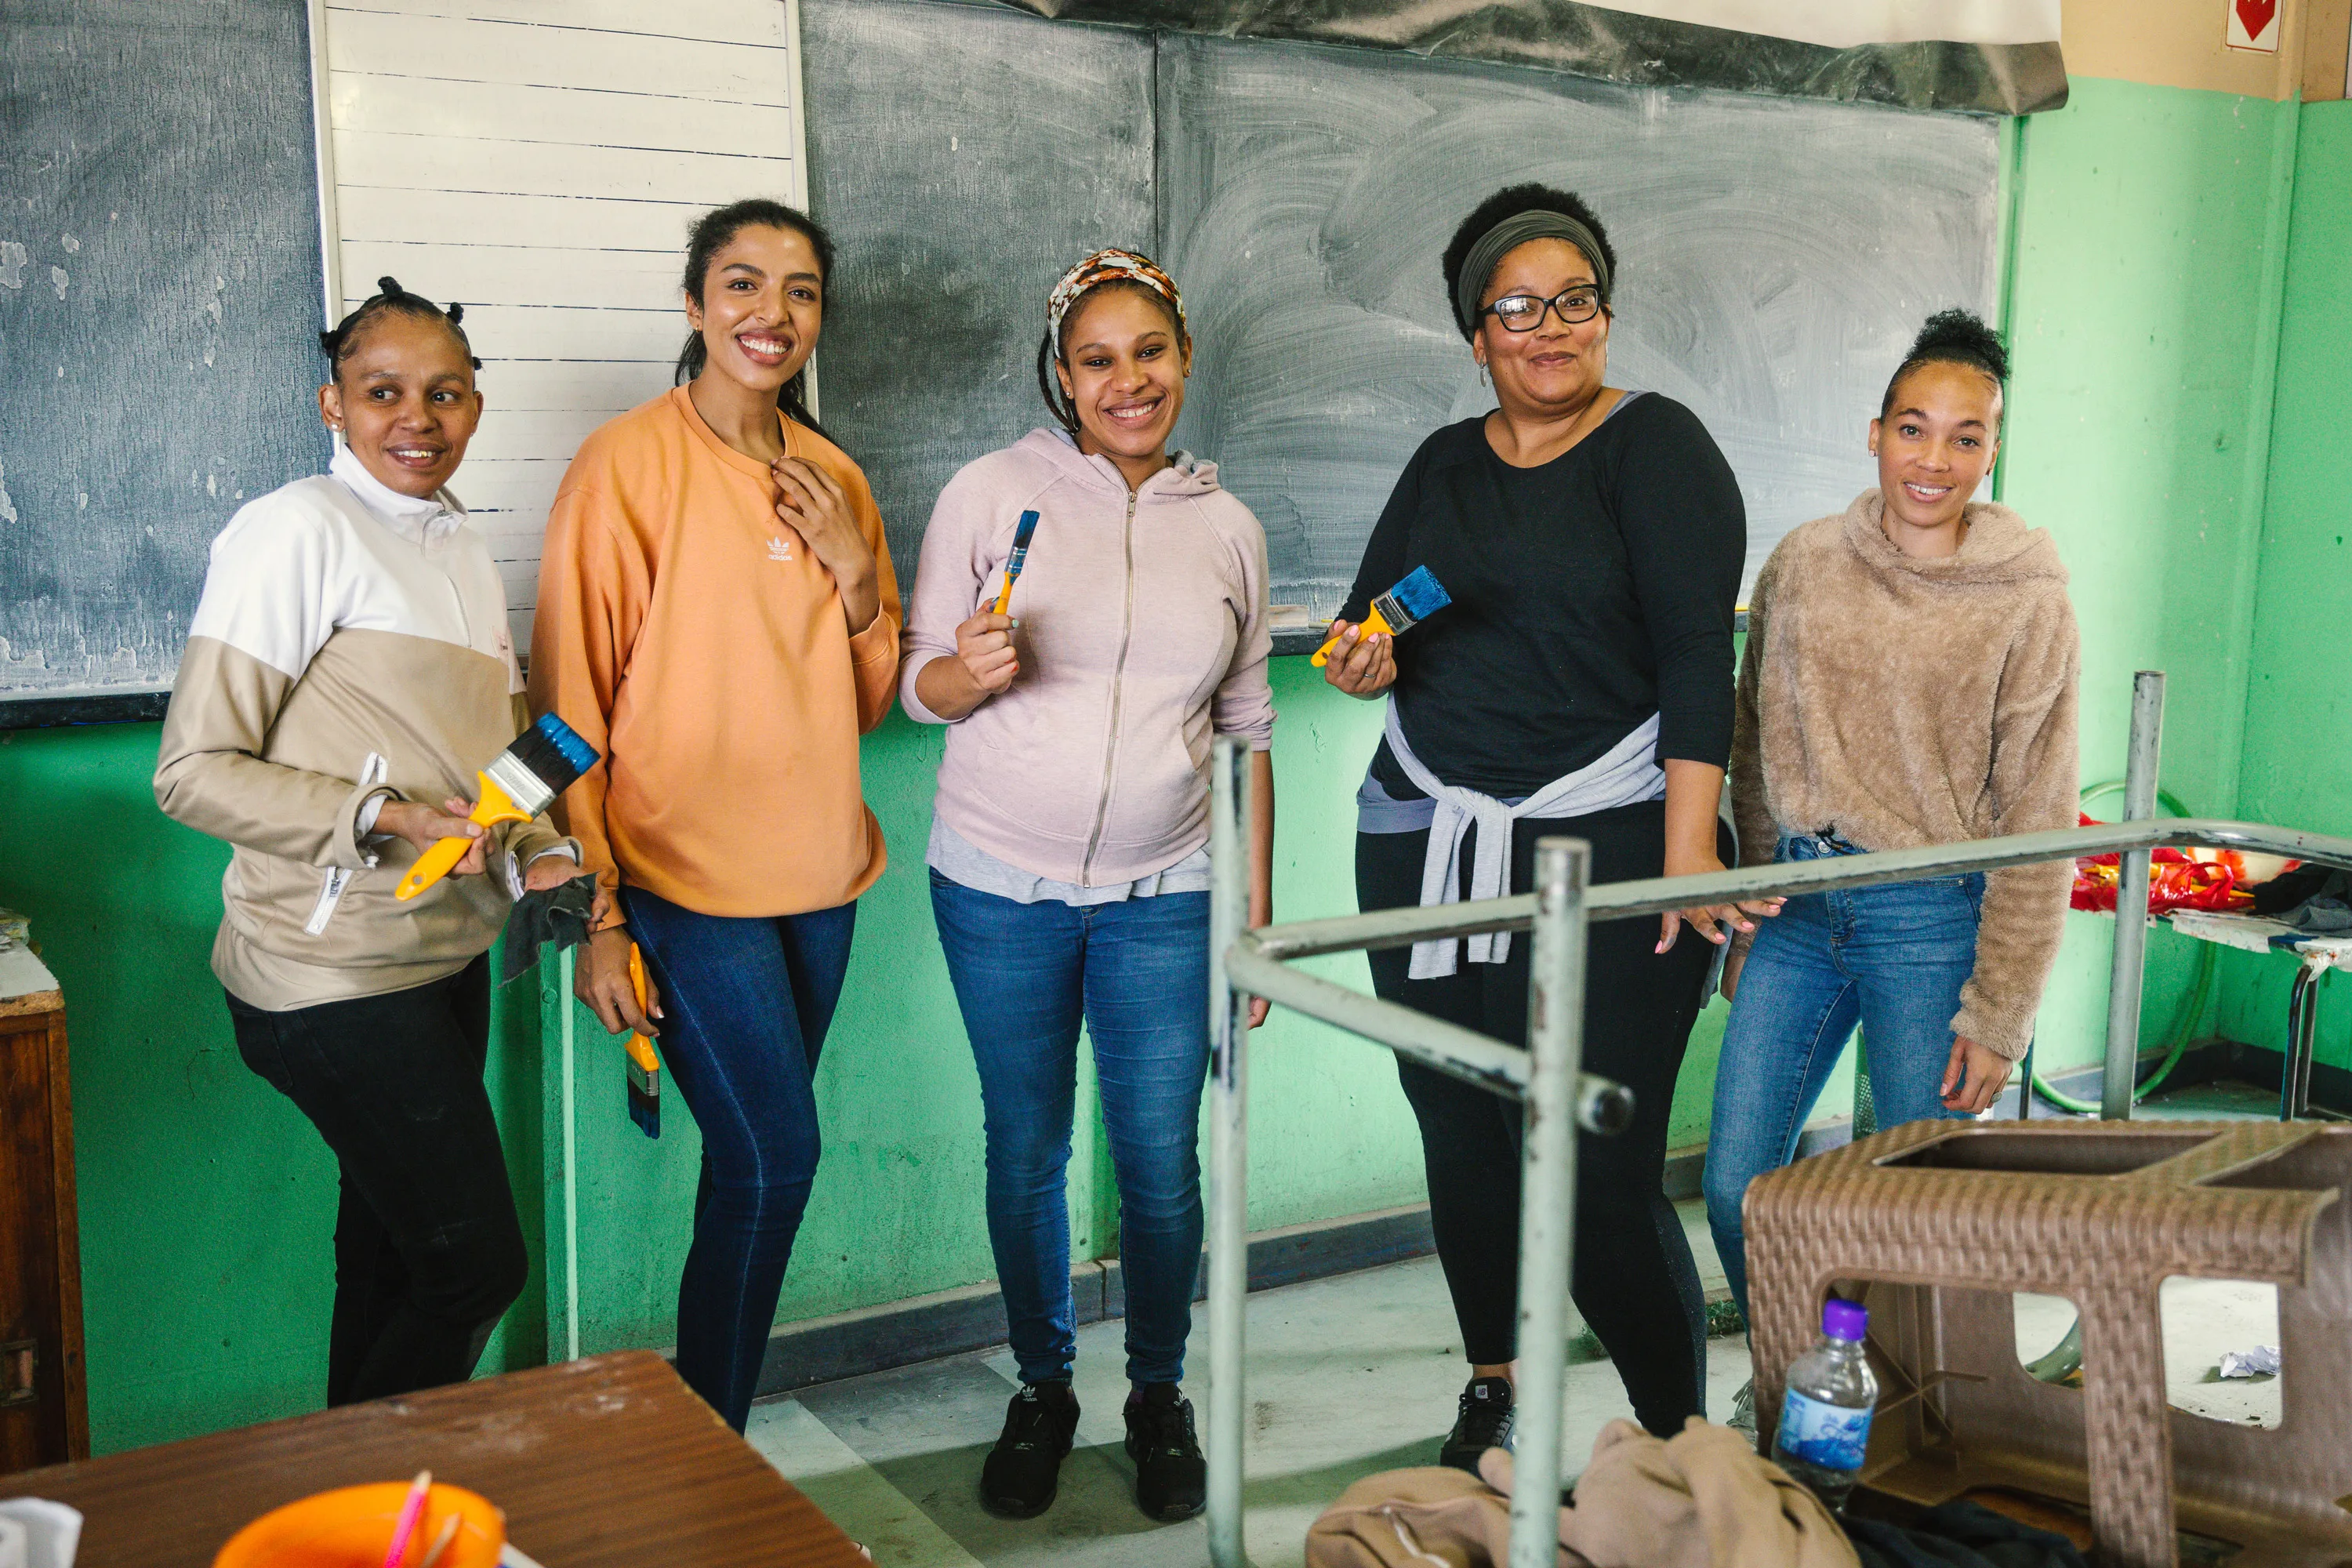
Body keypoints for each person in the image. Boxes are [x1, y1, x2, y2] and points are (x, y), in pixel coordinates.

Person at [1322, 185, 1770, 1468]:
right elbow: (1372, 626)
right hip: (1429, 836)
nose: (1548, 326)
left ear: (1604, 315)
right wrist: (1361, 660)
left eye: (1573, 299)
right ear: (1478, 336)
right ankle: (1494, 1384)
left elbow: (1698, 659)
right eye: (1516, 307)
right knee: (1458, 1125)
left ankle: (1679, 1447)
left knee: (1592, 1165)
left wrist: (1689, 852)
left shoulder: (1659, 448)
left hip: (1616, 844)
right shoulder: (1445, 463)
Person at [155, 278, 583, 1405]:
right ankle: (360, 1510)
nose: (418, 417)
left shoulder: (456, 545)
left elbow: (483, 781)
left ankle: (356, 1520)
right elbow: (193, 773)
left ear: (478, 407)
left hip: (443, 960)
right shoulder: (296, 527)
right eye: (382, 391)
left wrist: (533, 847)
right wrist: (383, 818)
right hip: (328, 975)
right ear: (331, 405)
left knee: (395, 1259)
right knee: (477, 1270)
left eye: (446, 393)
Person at [900, 249, 1276, 1523]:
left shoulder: (1227, 527)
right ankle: (1045, 1388)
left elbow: (1248, 725)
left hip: (1166, 893)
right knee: (1028, 1152)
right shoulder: (986, 495)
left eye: (1150, 354)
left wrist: (1256, 916)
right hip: (997, 886)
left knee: (1163, 1165)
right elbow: (917, 684)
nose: (1129, 381)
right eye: (1098, 359)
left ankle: (1157, 1393)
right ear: (1061, 377)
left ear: (1183, 359)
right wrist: (966, 672)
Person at [529, 198, 902, 1432]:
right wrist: (598, 917)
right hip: (680, 885)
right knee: (774, 1159)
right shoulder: (624, 466)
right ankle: (711, 1459)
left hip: (821, 884)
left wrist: (854, 573)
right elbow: (568, 711)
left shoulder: (834, 475)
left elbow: (870, 697)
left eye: (800, 292)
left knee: (754, 1171)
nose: (771, 315)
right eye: (742, 285)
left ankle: (706, 1452)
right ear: (694, 305)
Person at [1703, 310, 2078, 1392]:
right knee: (1742, 1186)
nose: (1936, 459)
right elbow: (1756, 733)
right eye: (1915, 429)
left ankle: (1901, 1427)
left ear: (1992, 450)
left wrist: (2001, 1007)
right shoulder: (1809, 561)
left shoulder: (2028, 591)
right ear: (1875, 434)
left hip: (1934, 918)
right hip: (1803, 911)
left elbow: (2042, 814)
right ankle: (1813, 1380)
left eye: (1966, 436)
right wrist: (1756, 899)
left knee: (1920, 1207)